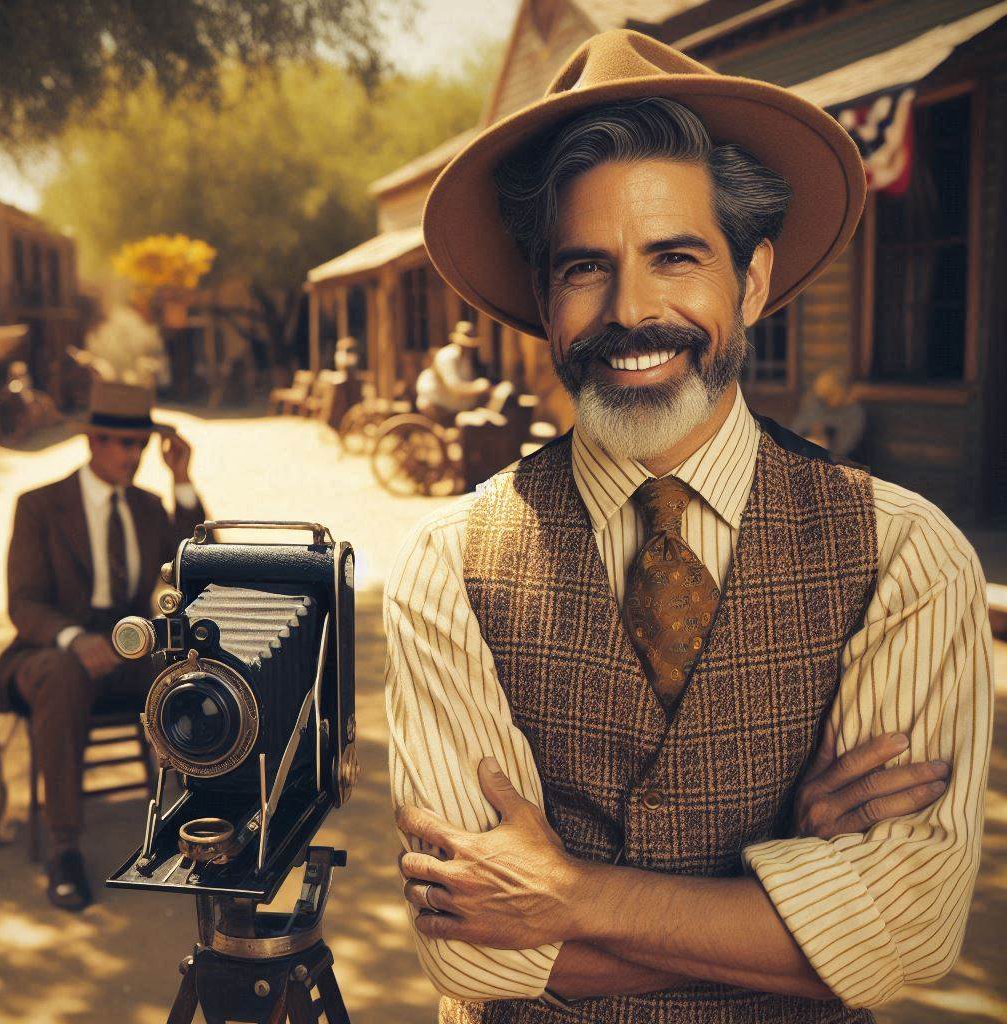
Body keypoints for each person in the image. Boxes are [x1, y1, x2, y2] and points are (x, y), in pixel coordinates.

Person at [385, 30, 992, 1023]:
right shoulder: (444, 565)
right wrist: (793, 911)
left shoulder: (905, 556)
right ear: (545, 298)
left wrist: (572, 899)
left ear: (750, 280)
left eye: (674, 256)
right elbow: (473, 954)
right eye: (586, 267)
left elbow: (910, 929)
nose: (631, 309)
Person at [0, 379, 206, 911]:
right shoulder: (40, 506)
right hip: (50, 650)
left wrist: (182, 479)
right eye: (119, 442)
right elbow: (23, 602)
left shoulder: (148, 505)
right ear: (92, 441)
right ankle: (65, 847)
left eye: (139, 445)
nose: (131, 455)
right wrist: (75, 639)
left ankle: (203, 826)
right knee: (66, 676)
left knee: (200, 663)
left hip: (128, 651)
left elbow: (199, 570)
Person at [414, 320, 491, 421]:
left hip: (451, 403)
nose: (468, 348)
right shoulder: (447, 356)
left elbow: (466, 382)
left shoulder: (465, 360)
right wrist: (477, 387)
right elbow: (453, 386)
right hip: (435, 401)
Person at [791, 367, 866, 458]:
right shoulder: (817, 401)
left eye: (828, 395)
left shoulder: (854, 413)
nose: (824, 401)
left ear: (840, 392)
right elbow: (797, 428)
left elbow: (843, 448)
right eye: (822, 397)